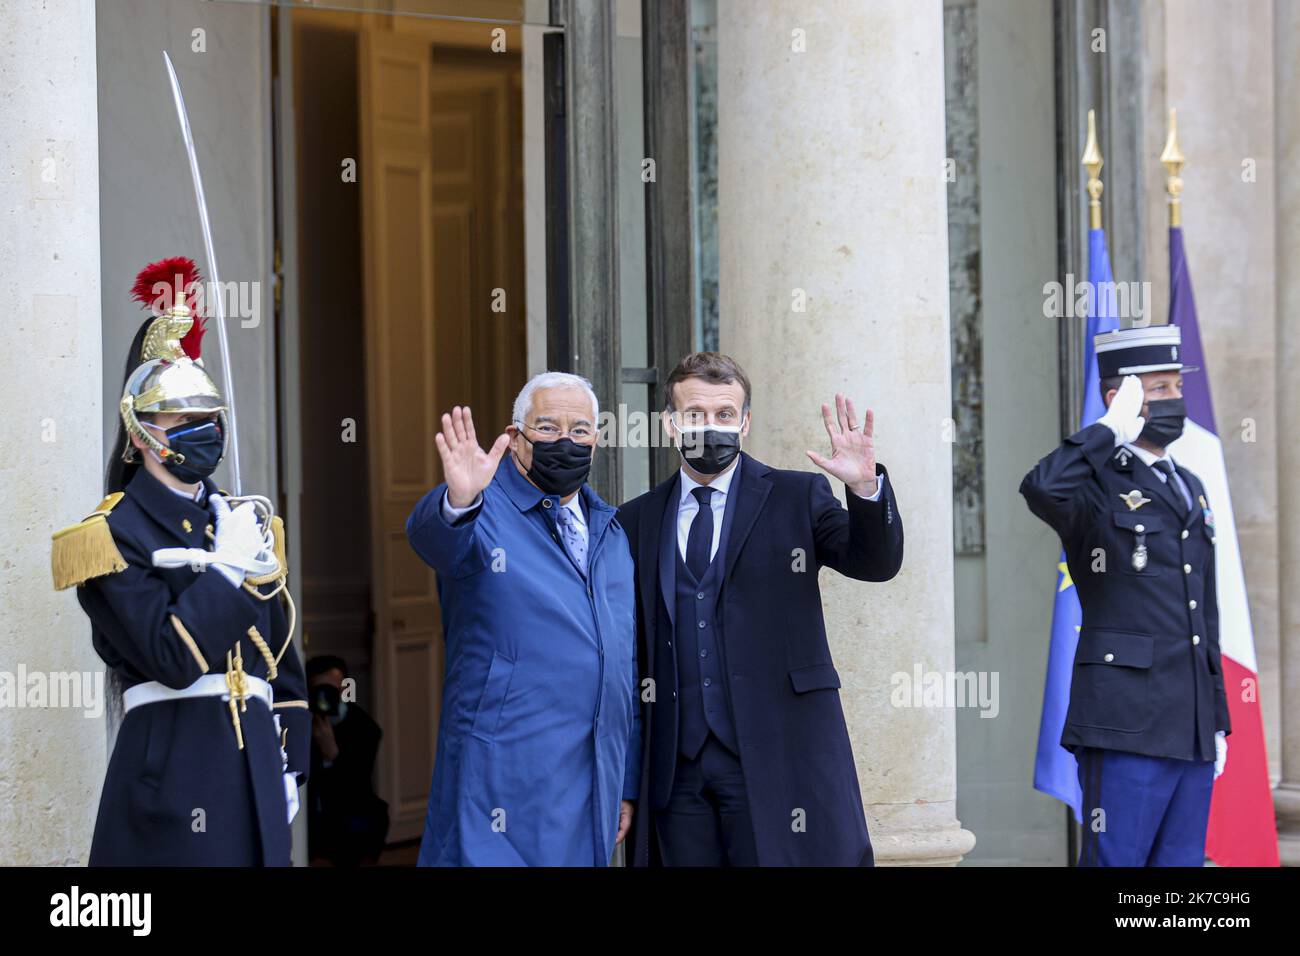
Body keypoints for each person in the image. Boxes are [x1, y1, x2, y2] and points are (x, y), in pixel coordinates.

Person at [51, 256, 309, 866]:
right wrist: (224, 572)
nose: (203, 431)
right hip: (173, 782)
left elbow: (284, 668)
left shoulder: (246, 523)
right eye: (182, 419)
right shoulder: (112, 534)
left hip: (256, 782)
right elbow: (171, 658)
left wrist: (291, 768)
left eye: (208, 418)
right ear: (141, 434)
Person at [616, 352, 904, 866]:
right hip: (675, 771)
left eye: (725, 415)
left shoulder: (797, 496)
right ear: (670, 424)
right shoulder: (635, 519)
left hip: (776, 757)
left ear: (745, 424)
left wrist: (862, 488)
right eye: (695, 414)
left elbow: (874, 562)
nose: (711, 426)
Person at [406, 372, 640, 866]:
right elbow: (433, 539)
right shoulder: (483, 510)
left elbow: (623, 665)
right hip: (501, 780)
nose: (565, 441)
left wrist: (625, 780)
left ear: (596, 441)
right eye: (548, 427)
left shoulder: (611, 531)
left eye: (580, 430)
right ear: (515, 439)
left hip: (591, 779)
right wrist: (459, 500)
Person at [1020, 324, 1229, 866]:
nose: (1174, 399)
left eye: (1175, 386)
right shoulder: (1094, 480)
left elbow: (1203, 612)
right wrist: (1106, 431)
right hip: (1125, 722)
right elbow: (1042, 488)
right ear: (1120, 397)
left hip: (1190, 726)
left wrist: (1217, 717)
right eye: (1158, 389)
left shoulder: (1188, 484)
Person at [306, 655, 389, 866]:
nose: (326, 698)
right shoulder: (300, 727)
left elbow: (357, 786)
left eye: (333, 690)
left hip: (352, 817)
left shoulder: (364, 727)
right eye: (319, 691)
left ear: (344, 690)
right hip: (315, 818)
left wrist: (332, 753)